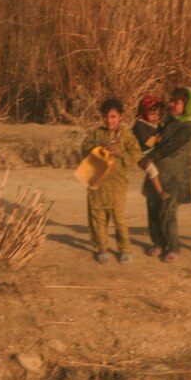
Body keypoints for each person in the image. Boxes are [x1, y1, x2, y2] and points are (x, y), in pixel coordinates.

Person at [139, 86, 191, 263]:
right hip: (157, 174)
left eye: (177, 102)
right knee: (153, 209)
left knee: (167, 211)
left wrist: (151, 157)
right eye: (172, 100)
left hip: (175, 176)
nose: (172, 104)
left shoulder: (187, 128)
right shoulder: (168, 122)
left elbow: (171, 146)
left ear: (188, 106)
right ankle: (158, 242)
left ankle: (174, 246)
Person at [80, 98, 142, 264]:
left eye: (113, 116)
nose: (109, 120)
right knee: (97, 216)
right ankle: (103, 249)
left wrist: (118, 154)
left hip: (117, 184)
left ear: (120, 117)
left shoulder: (126, 136)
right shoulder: (96, 134)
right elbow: (83, 148)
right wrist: (97, 148)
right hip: (96, 182)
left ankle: (124, 248)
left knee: (119, 218)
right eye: (106, 116)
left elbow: (136, 155)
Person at [132, 95, 169, 200]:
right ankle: (160, 192)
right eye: (152, 114)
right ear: (144, 112)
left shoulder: (154, 125)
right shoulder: (139, 125)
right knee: (153, 171)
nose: (155, 117)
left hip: (151, 153)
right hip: (141, 155)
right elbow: (148, 142)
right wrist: (157, 140)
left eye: (157, 114)